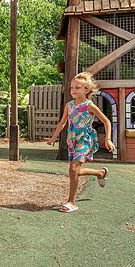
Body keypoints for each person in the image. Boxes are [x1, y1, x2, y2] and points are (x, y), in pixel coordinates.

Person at [46, 72, 115, 213]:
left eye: (77, 87)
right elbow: (62, 122)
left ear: (86, 89)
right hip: (73, 140)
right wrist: (54, 137)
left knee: (73, 168)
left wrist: (108, 139)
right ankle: (100, 173)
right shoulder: (69, 105)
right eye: (72, 87)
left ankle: (71, 202)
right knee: (75, 170)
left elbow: (106, 121)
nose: (73, 90)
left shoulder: (89, 106)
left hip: (85, 140)